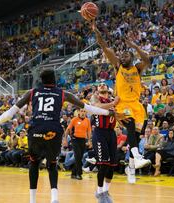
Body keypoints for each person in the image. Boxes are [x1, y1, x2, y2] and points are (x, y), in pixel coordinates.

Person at [0, 69, 122, 203]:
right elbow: (88, 108)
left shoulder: (32, 92)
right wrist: (108, 113)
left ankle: (32, 200)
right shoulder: (63, 93)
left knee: (34, 163)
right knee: (52, 164)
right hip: (53, 131)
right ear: (54, 79)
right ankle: (54, 199)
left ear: (41, 81)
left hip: (36, 129)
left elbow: (9, 114)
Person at [92, 21, 151, 184]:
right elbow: (105, 48)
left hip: (137, 105)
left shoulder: (137, 68)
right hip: (122, 104)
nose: (123, 56)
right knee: (130, 125)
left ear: (132, 58)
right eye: (122, 55)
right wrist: (97, 32)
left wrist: (135, 46)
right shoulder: (118, 66)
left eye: (126, 55)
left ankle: (131, 167)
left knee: (137, 136)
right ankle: (137, 157)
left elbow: (147, 59)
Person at [90, 83, 119, 202]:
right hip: (99, 133)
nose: (104, 94)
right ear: (97, 92)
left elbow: (118, 115)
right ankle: (99, 192)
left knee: (112, 165)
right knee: (103, 164)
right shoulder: (94, 98)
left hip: (111, 133)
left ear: (109, 92)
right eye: (101, 92)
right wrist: (113, 103)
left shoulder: (113, 102)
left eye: (105, 92)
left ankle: (106, 191)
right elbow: (97, 106)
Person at [65, 108, 92, 180]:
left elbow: (89, 131)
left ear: (86, 113)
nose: (83, 113)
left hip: (83, 140)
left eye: (84, 111)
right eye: (81, 111)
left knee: (79, 157)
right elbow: (68, 129)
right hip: (75, 140)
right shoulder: (74, 119)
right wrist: (65, 140)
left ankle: (73, 173)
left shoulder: (87, 121)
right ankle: (79, 174)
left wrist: (89, 141)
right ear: (79, 112)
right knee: (77, 156)